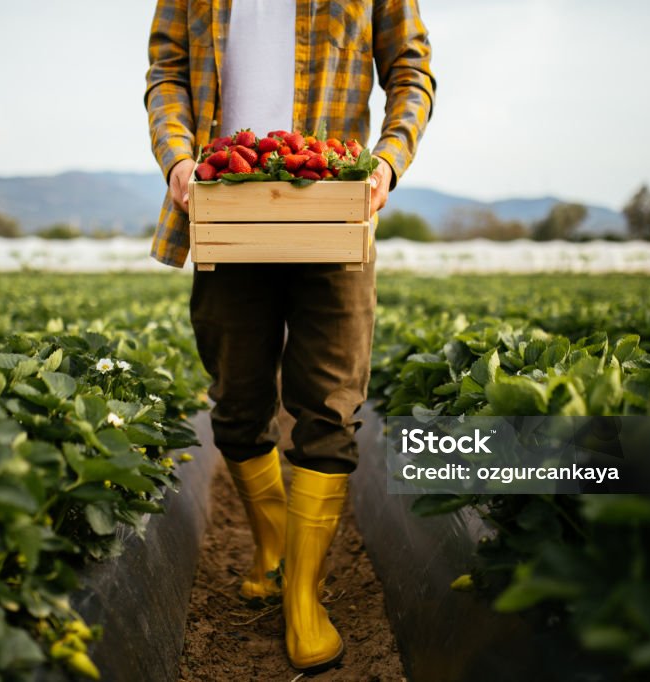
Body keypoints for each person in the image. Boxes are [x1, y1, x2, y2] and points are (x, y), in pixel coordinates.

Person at [144, 0, 434, 672]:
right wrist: (179, 160)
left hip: (332, 203)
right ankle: (272, 543)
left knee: (330, 407)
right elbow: (167, 73)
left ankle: (302, 596)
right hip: (225, 202)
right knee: (238, 402)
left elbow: (411, 71)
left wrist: (386, 163)